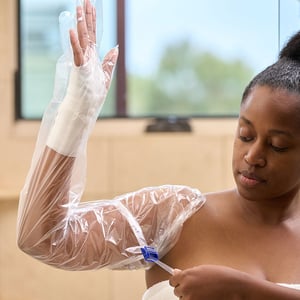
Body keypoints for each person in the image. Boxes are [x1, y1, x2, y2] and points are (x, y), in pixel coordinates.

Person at [17, 0, 300, 299]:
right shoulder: (173, 217)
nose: (252, 156)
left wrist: (242, 289)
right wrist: (78, 110)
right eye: (245, 135)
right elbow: (41, 238)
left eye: (277, 146)